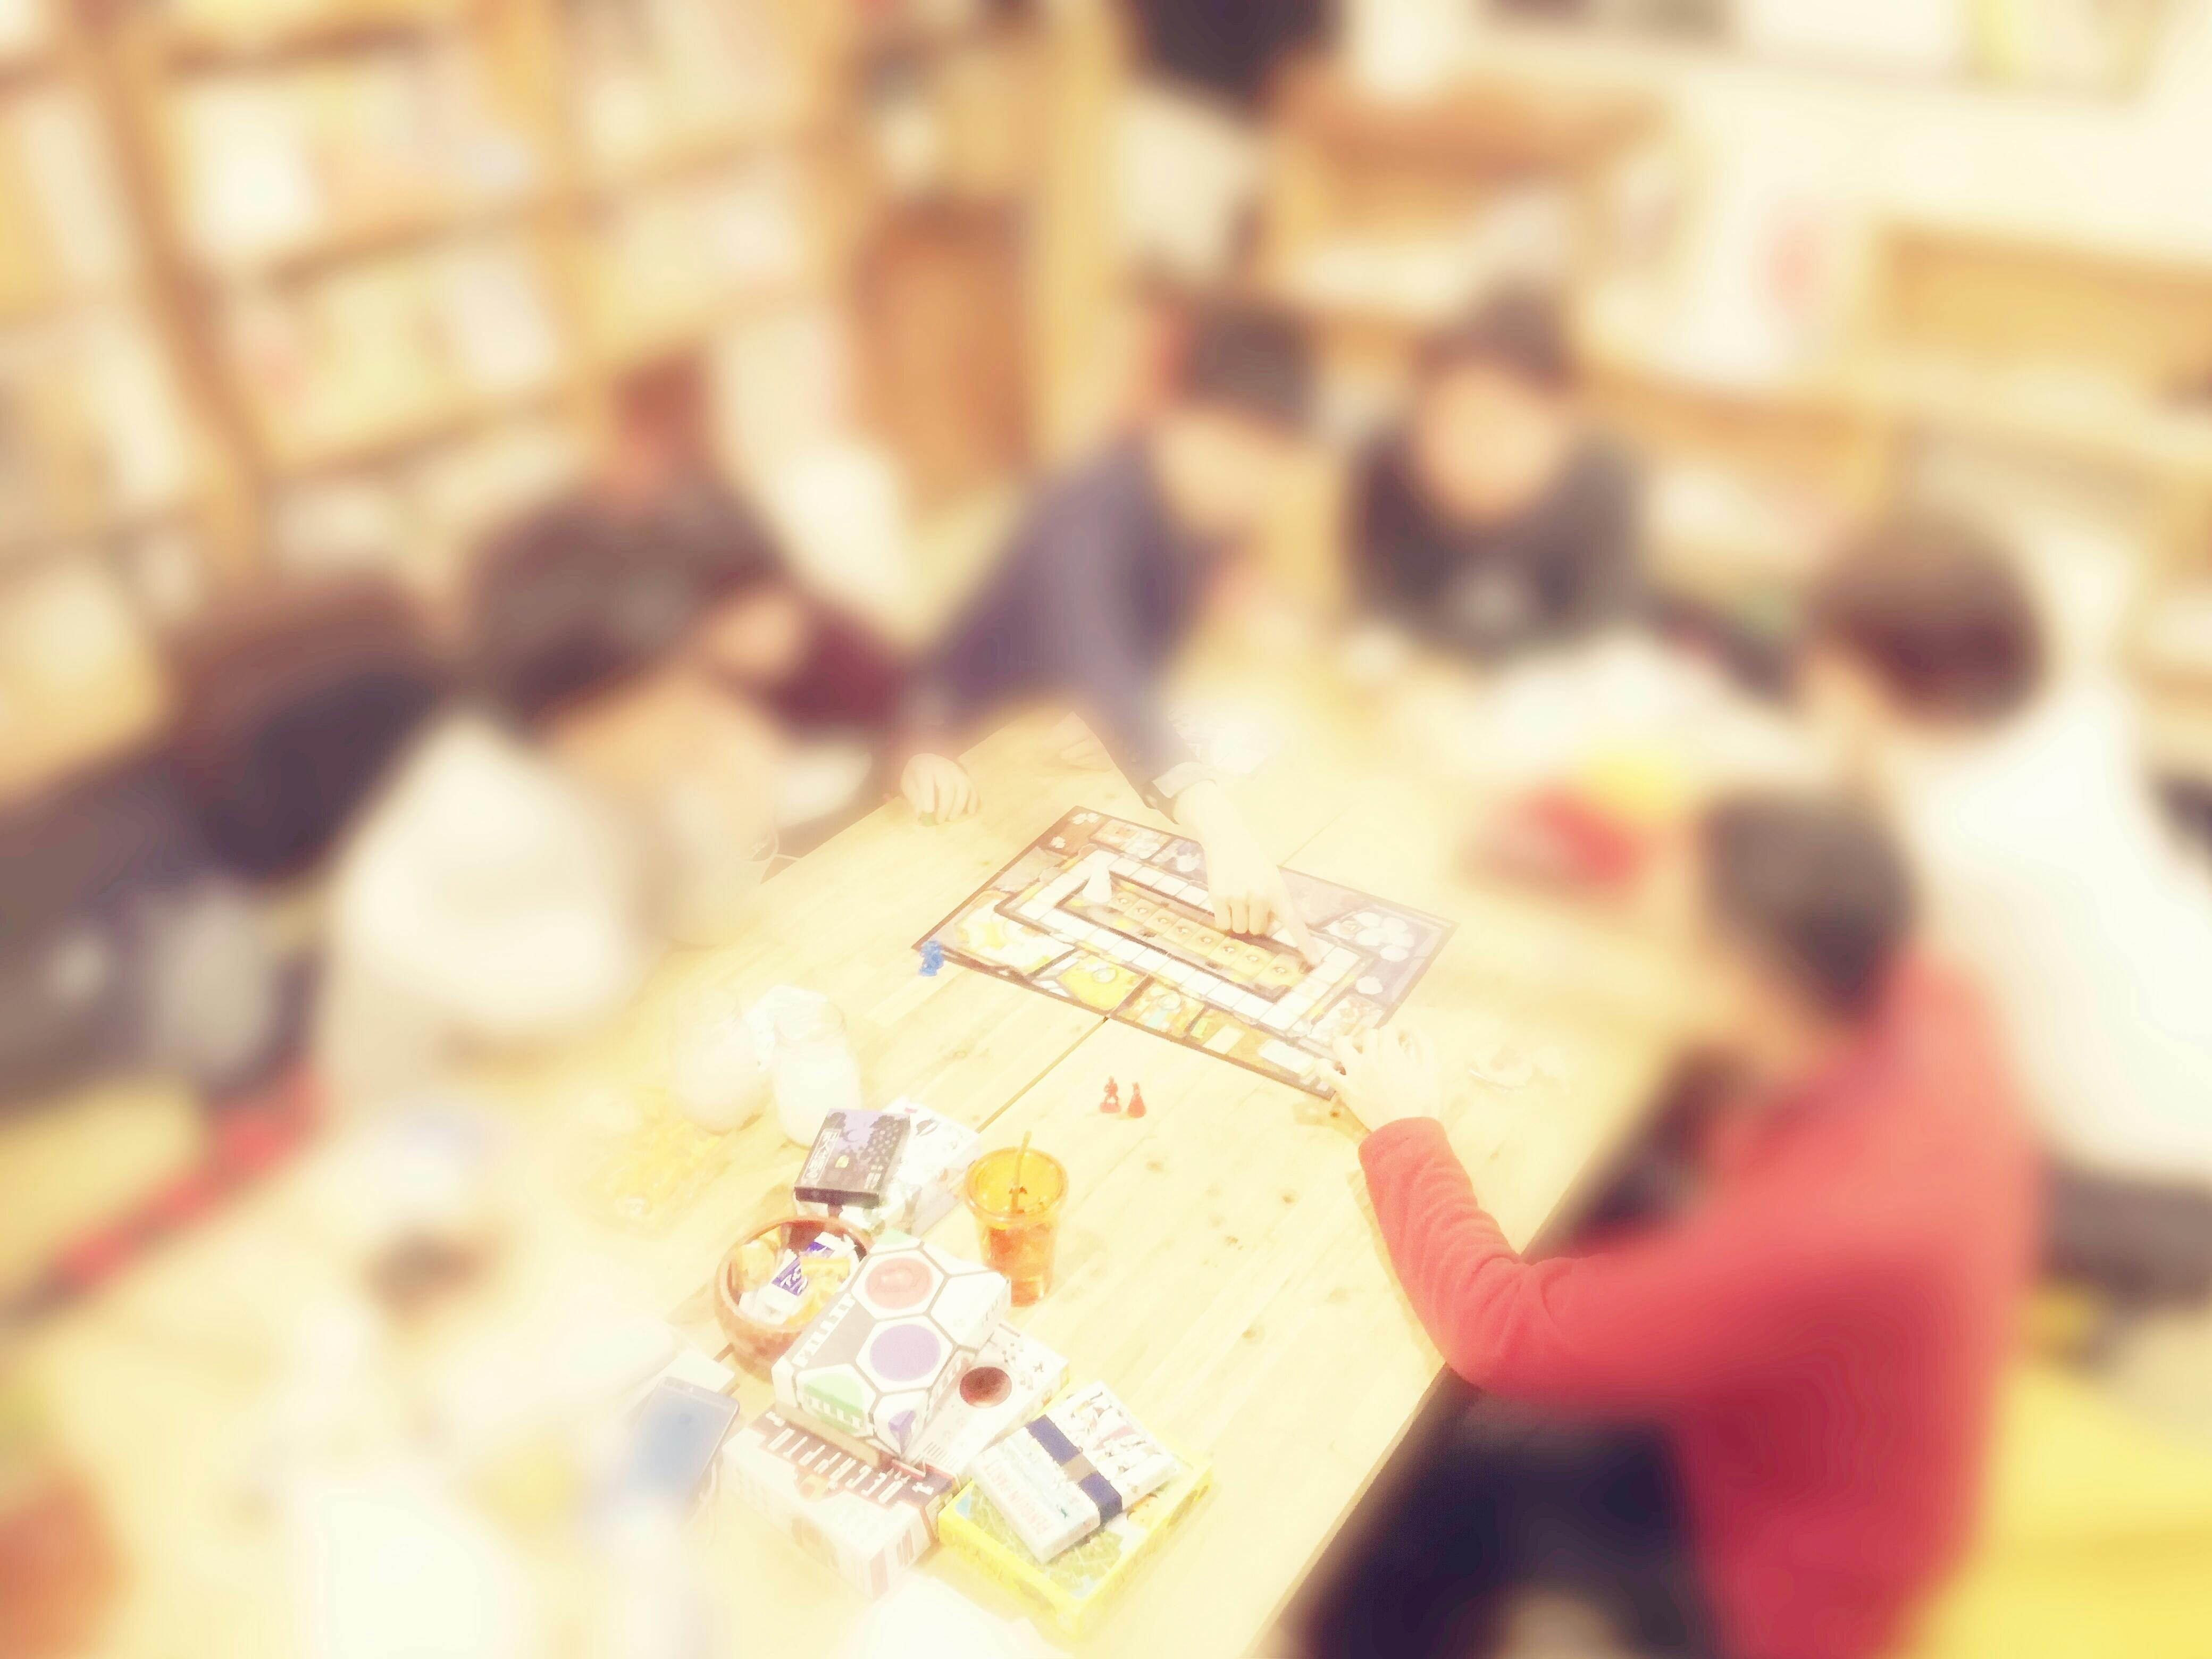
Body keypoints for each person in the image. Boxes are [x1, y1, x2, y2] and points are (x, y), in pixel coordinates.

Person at [1314, 792, 2038, 1659]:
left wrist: (1405, 1130)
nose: (1644, 952)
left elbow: (1498, 1330)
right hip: (1857, 1444)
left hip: (1780, 1575)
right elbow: (1758, 895)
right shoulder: (1930, 1000)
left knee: (1399, 1523)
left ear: (1748, 985)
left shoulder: (1821, 1236)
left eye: (1667, 943)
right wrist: (1585, 831)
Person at [1800, 513, 2212, 1301]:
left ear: (1859, 677)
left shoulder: (1953, 846)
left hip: (2136, 1184)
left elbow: (1844, 1016)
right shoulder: (2083, 716)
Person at [899, 301, 1321, 956]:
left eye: (1261, 465)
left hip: (1063, 756)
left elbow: (1145, 648)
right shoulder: (1087, 504)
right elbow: (1099, 658)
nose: (1241, 485)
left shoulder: (1205, 507)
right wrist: (1224, 832)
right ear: (1172, 421)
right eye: (1226, 451)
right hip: (957, 742)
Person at [470, 353, 907, 751]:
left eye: (771, 601)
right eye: (736, 616)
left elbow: (904, 712)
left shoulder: (835, 643)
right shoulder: (686, 689)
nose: (764, 629)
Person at [1352, 287, 1640, 665]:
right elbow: (1377, 613)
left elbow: (1597, 648)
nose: (1465, 451)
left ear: (1562, 425)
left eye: (1497, 425)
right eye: (1446, 420)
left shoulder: (1603, 495)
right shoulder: (1388, 467)